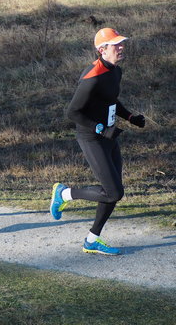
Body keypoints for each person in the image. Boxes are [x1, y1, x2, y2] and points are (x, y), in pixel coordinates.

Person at [50, 28, 145, 255]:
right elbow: (72, 112)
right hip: (92, 137)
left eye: (122, 43)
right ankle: (63, 194)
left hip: (108, 135)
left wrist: (130, 117)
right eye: (116, 45)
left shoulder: (115, 71)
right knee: (113, 192)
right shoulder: (92, 76)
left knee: (113, 191)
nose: (121, 47)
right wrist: (101, 129)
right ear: (102, 50)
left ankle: (92, 240)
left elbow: (111, 100)